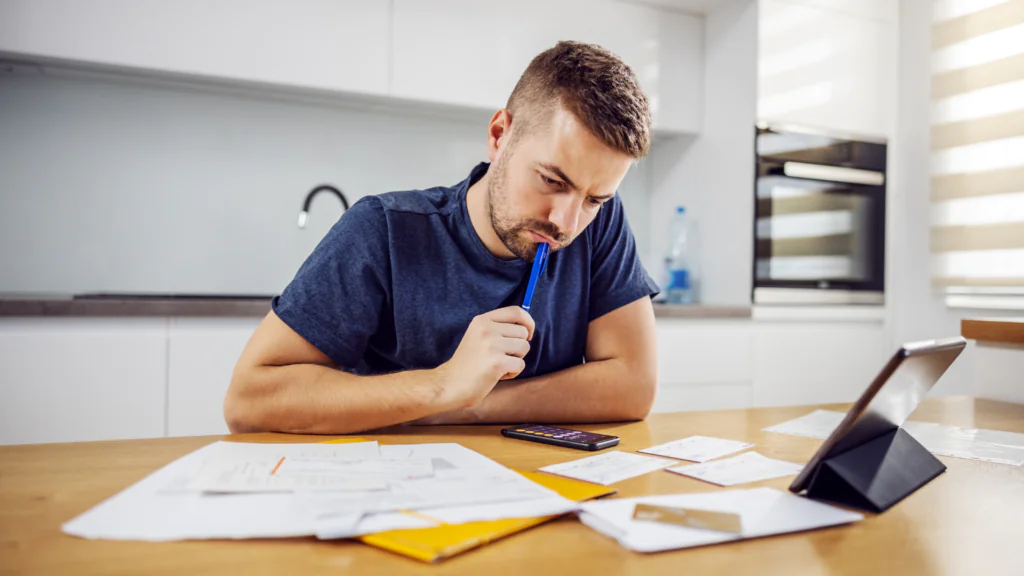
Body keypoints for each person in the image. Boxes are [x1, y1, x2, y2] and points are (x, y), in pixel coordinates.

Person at [225, 41, 659, 434]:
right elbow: (248, 399)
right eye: (550, 180)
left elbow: (634, 386)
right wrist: (443, 384)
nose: (565, 222)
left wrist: (471, 405)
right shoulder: (384, 230)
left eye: (595, 198)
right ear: (498, 136)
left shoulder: (600, 224)